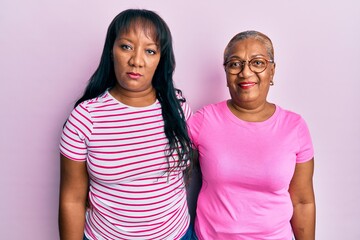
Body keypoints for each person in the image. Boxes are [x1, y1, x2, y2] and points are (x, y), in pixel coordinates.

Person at [59, 9, 195, 240]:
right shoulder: (85, 117)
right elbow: (72, 200)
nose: (136, 61)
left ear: (160, 59)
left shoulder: (178, 108)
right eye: (126, 47)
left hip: (177, 235)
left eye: (150, 51)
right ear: (111, 51)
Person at [187, 30, 316, 240]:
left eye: (257, 63)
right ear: (226, 72)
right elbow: (169, 173)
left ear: (272, 71)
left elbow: (302, 201)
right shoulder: (204, 120)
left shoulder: (294, 127)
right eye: (235, 63)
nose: (245, 72)